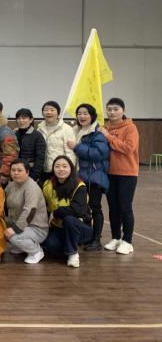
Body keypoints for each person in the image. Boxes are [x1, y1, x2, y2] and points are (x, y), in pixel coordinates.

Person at [99, 98, 139, 255]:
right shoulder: (104, 127)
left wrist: (108, 137)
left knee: (125, 207)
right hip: (109, 173)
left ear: (123, 110)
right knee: (113, 207)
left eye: (116, 109)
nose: (112, 112)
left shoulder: (130, 128)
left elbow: (128, 148)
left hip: (127, 173)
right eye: (109, 109)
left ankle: (127, 241)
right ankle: (115, 238)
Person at [67, 103, 109, 252]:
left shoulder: (97, 133)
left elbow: (99, 153)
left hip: (94, 176)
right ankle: (87, 237)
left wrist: (76, 147)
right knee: (83, 209)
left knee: (95, 208)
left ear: (92, 116)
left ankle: (96, 240)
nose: (82, 116)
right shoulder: (74, 131)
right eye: (79, 113)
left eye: (85, 113)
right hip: (79, 176)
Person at [42, 156, 93, 268]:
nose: (61, 169)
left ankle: (72, 253)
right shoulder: (48, 184)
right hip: (58, 227)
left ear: (71, 169)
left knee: (69, 219)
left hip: (80, 227)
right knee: (50, 245)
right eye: (57, 166)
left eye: (65, 166)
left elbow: (78, 211)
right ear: (53, 169)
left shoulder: (79, 185)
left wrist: (56, 212)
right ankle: (68, 248)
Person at [4, 159, 49, 264]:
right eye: (13, 170)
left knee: (12, 236)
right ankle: (22, 246)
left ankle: (36, 251)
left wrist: (15, 229)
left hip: (36, 228)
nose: (16, 173)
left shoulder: (31, 187)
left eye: (19, 170)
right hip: (16, 222)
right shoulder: (11, 185)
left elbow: (30, 211)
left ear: (27, 172)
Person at [37, 101, 76, 184]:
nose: (49, 112)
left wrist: (69, 170)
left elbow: (70, 153)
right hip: (43, 170)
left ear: (58, 113)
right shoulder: (39, 129)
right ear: (42, 113)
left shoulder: (66, 129)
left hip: (60, 171)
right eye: (46, 110)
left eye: (52, 110)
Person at [14, 108, 46, 183]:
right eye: (19, 118)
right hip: (16, 172)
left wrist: (33, 176)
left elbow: (40, 158)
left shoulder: (37, 136)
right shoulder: (14, 134)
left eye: (24, 118)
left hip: (30, 173)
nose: (21, 121)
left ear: (31, 120)